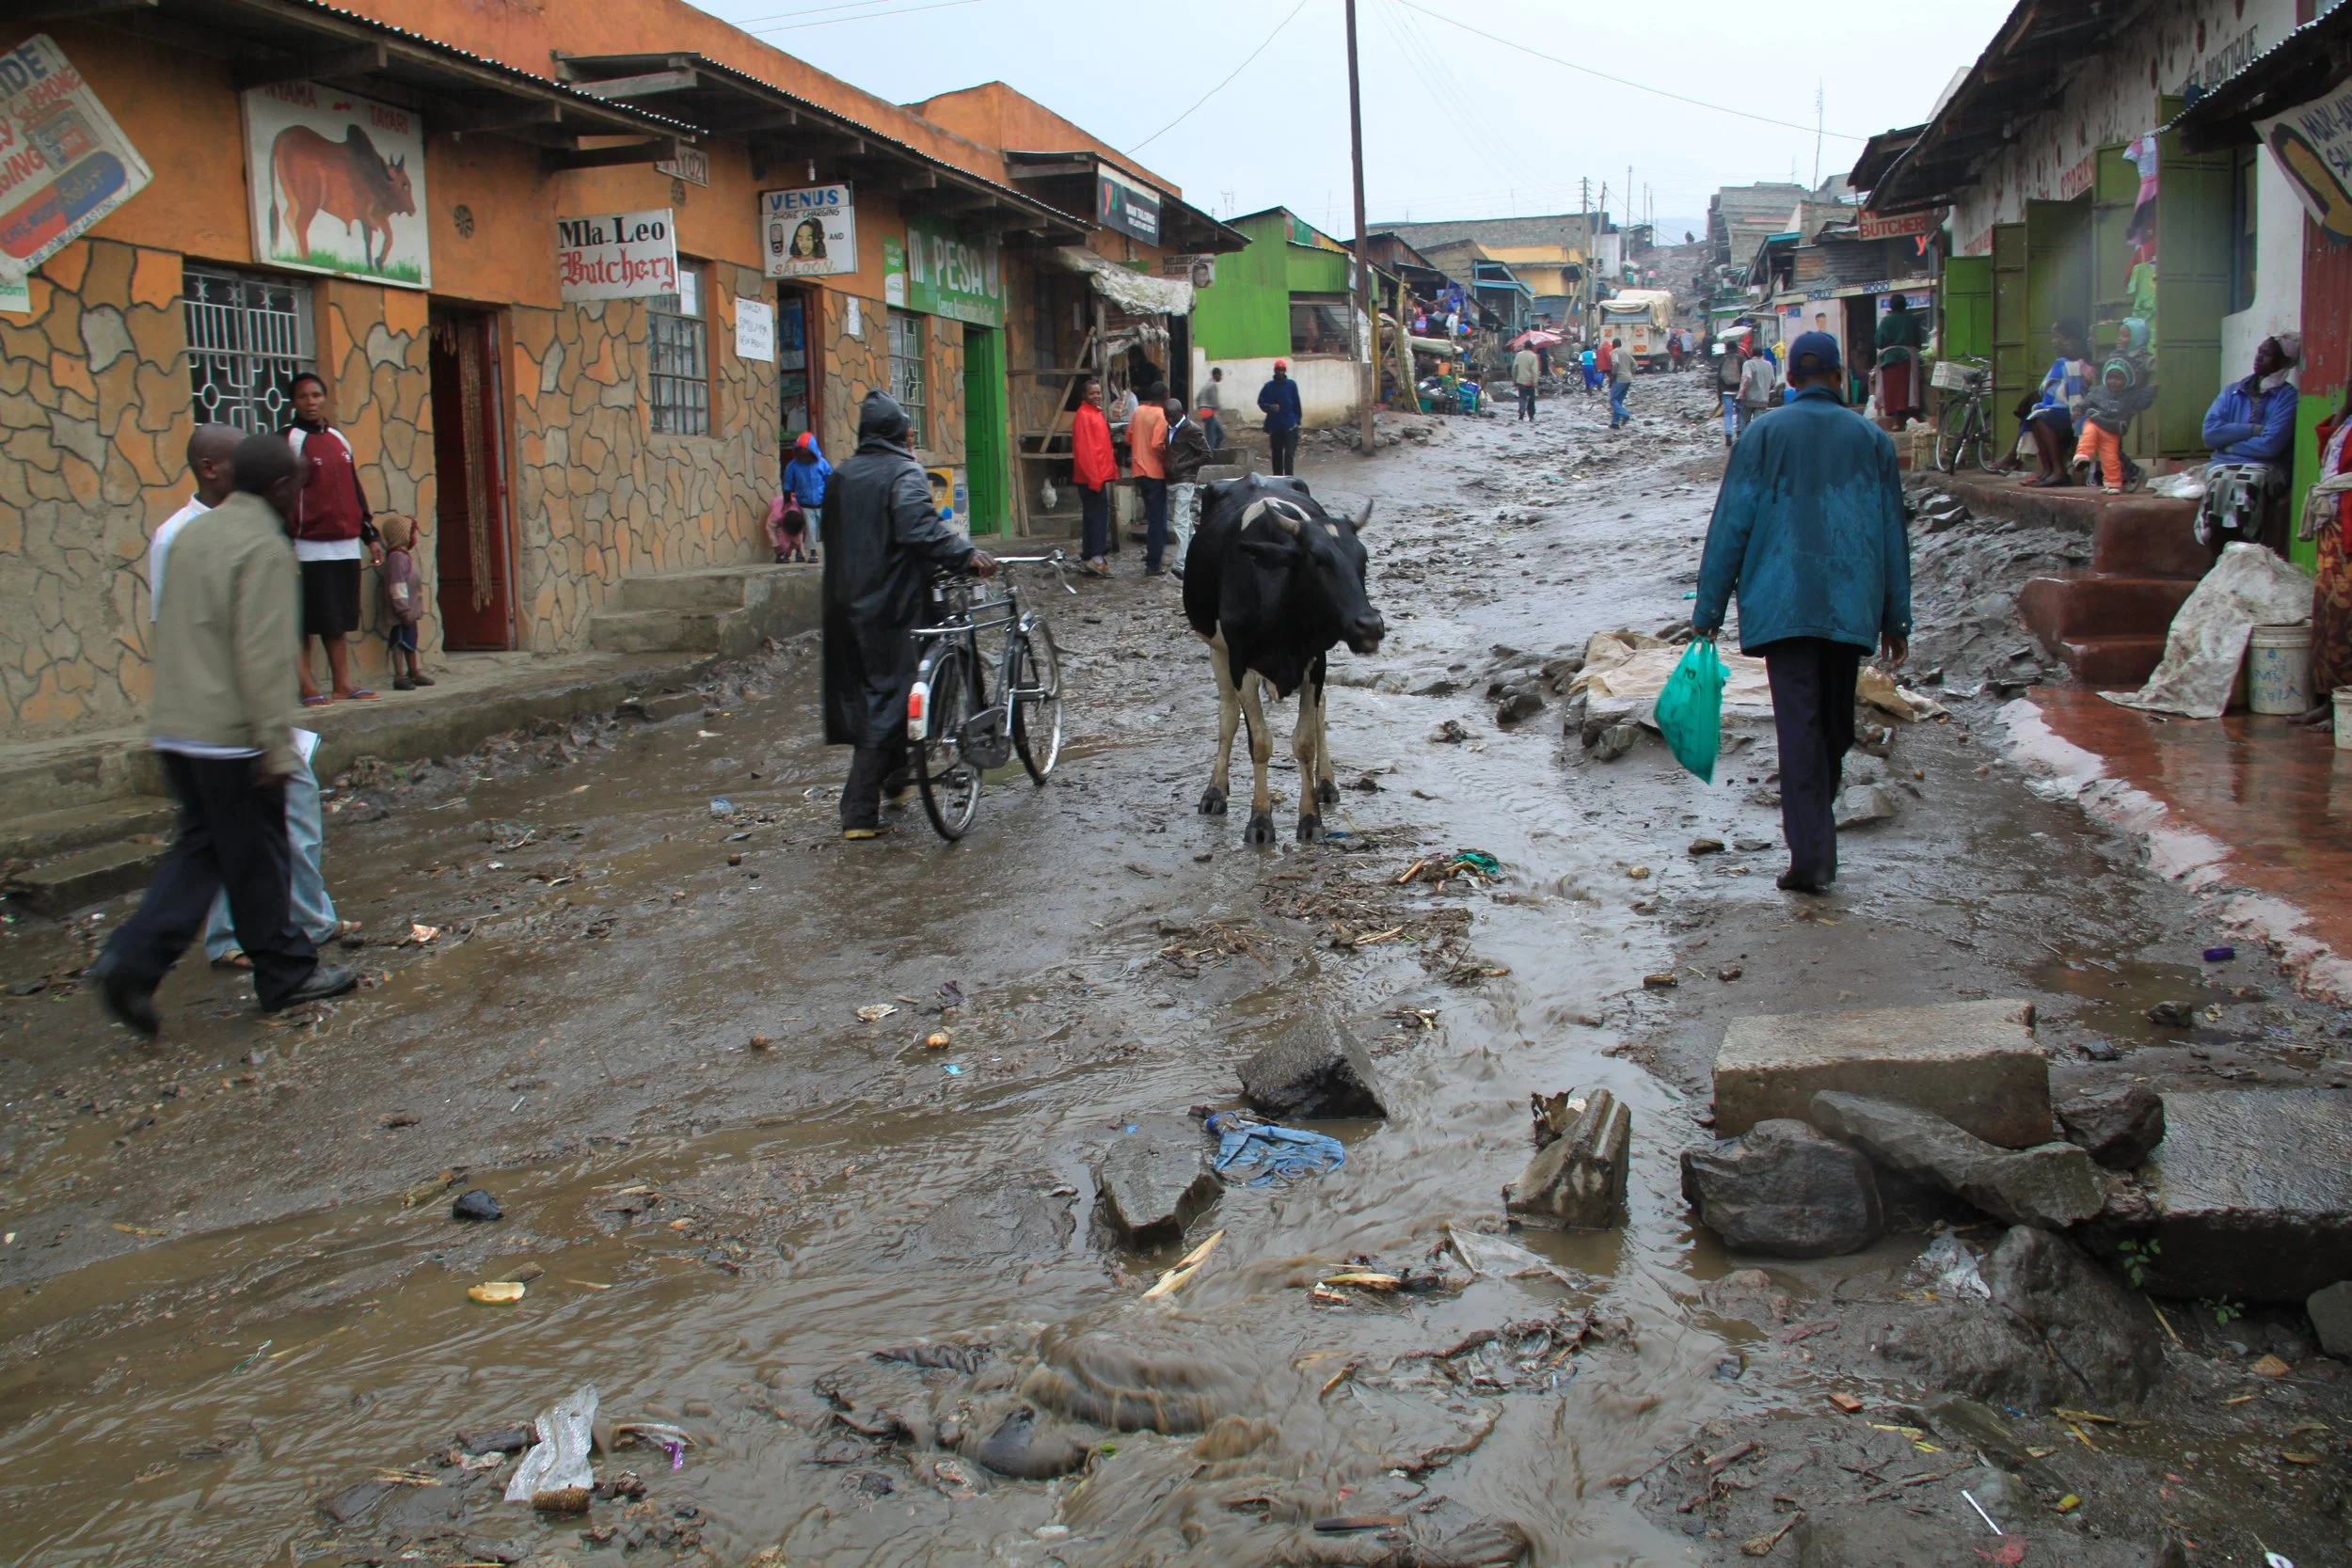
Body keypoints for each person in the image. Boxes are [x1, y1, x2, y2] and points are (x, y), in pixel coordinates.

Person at [91, 435, 358, 1035]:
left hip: (179, 729)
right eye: (297, 486)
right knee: (259, 860)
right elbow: (262, 655)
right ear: (281, 489)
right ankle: (284, 974)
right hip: (233, 735)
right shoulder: (262, 546)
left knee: (204, 852)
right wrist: (274, 741)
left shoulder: (192, 534)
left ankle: (129, 962)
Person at [1692, 331, 1911, 895]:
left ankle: (1811, 846)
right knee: (1834, 727)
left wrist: (1709, 607)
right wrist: (1896, 617)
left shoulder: (1761, 435)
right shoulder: (1872, 440)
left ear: (1791, 379)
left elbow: (1731, 523)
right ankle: (1814, 848)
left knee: (1802, 731)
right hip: (1850, 603)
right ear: (1839, 377)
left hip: (1782, 603)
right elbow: (1892, 532)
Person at [820, 391, 996, 840]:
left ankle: (896, 780)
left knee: (871, 693)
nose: (912, 440)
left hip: (844, 604)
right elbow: (919, 529)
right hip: (892, 605)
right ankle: (858, 811)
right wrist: (966, 554)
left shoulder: (841, 476)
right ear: (895, 435)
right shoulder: (903, 473)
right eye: (909, 432)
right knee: (890, 696)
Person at [284, 372, 385, 705]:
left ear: (324, 398)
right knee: (304, 618)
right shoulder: (288, 440)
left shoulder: (340, 440)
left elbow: (354, 488)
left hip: (344, 543)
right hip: (305, 544)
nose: (310, 402)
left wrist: (369, 534)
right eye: (303, 397)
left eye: (316, 395)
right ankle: (307, 687)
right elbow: (280, 493)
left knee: (337, 618)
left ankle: (343, 684)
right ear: (294, 402)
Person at [2199, 334, 2302, 557]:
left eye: (2267, 354)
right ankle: (2215, 556)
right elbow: (2210, 434)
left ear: (2284, 362)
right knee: (2219, 482)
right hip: (2224, 465)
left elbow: (2270, 447)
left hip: (2268, 467)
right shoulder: (2233, 392)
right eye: (2259, 352)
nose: (2258, 358)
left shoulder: (2287, 398)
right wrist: (2252, 430)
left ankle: (2243, 554)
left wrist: (2229, 447)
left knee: (2248, 485)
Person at [2305, 386, 2352, 717]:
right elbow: (2328, 455)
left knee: (2345, 615)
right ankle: (2328, 699)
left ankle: (2340, 706)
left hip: (2348, 529)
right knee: (2328, 614)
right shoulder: (2346, 424)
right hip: (2334, 530)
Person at [2000, 319, 2090, 486]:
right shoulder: (2062, 362)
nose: (2053, 341)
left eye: (2056, 337)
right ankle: (2047, 471)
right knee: (2035, 417)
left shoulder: (2076, 364)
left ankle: (2058, 471)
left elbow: (2073, 393)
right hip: (2058, 407)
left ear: (2068, 339)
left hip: (2071, 411)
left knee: (2041, 417)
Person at [2071, 357, 2156, 494]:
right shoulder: (2097, 391)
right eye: (2110, 377)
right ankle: (2083, 456)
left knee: (2110, 457)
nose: (2113, 382)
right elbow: (2085, 403)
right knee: (2089, 433)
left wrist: (2152, 390)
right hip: (2095, 421)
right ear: (2105, 377)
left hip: (2112, 430)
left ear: (2127, 379)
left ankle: (2113, 484)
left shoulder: (2131, 395)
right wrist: (2077, 410)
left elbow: (2143, 402)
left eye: (2118, 378)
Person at [377, 514, 431, 689]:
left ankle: (413, 672)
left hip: (410, 611)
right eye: (412, 533)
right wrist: (402, 609)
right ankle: (399, 676)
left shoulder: (403, 556)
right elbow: (397, 585)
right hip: (403, 612)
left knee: (410, 642)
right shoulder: (397, 558)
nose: (414, 537)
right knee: (399, 642)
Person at [1072, 377, 1117, 577]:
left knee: (1092, 517)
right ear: (1085, 395)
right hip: (1093, 477)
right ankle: (1097, 558)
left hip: (1096, 474)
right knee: (1098, 518)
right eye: (1093, 393)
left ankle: (1088, 557)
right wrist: (1094, 478)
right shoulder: (1084, 415)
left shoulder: (1093, 413)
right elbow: (1085, 451)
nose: (1097, 395)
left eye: (1098, 392)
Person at [1164, 397, 1211, 579]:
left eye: (1172, 416)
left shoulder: (1191, 429)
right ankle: (1196, 551)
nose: (1169, 419)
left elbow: (1207, 454)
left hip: (1186, 480)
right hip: (1171, 481)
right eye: (1166, 416)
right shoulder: (1168, 428)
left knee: (1179, 521)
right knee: (1180, 521)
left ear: (1181, 413)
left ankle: (1181, 563)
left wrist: (1184, 466)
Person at [1128, 380, 1170, 574]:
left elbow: (1129, 438)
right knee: (1157, 519)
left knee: (1151, 516)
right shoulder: (1161, 415)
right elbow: (1156, 444)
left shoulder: (1138, 411)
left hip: (1138, 471)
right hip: (1155, 472)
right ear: (1165, 397)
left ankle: (1152, 553)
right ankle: (1153, 563)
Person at [1874, 295, 1926, 426]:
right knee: (1906, 389)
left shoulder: (1886, 321)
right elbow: (1918, 342)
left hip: (1888, 359)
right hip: (1907, 357)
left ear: (1891, 306)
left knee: (1891, 389)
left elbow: (1879, 342)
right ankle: (1905, 417)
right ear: (1905, 305)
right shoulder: (1912, 319)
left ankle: (1896, 420)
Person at [781, 431, 832, 559]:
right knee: (810, 529)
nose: (804, 457)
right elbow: (788, 481)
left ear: (813, 452)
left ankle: (829, 552)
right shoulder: (793, 466)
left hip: (822, 502)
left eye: (806, 453)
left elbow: (830, 477)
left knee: (824, 529)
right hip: (804, 503)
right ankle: (813, 552)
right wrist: (787, 498)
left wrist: (831, 495)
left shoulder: (822, 464)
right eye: (801, 453)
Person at [1259, 358, 1303, 476]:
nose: (1280, 372)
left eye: (1282, 370)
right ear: (1274, 371)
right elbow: (1261, 402)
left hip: (1290, 426)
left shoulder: (1291, 385)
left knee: (1289, 455)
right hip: (1275, 426)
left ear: (1285, 371)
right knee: (1277, 455)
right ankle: (1277, 479)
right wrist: (1270, 407)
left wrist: (1297, 421)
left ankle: (1289, 479)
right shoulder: (1268, 387)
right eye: (1278, 370)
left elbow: (1296, 404)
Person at [1715, 338, 1747, 447]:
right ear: (1737, 348)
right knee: (1741, 412)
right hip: (1739, 391)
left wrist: (1719, 394)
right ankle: (1740, 432)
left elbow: (1718, 378)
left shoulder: (1723, 360)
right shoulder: (1741, 359)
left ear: (1727, 348)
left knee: (1728, 413)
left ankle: (1728, 434)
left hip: (1726, 391)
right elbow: (1746, 376)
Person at [1607, 336, 1633, 429]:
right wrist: (1630, 373)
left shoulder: (1613, 352)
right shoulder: (1626, 352)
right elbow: (1635, 365)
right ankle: (1615, 423)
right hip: (1628, 379)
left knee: (1612, 400)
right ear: (1621, 345)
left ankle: (1625, 414)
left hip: (1619, 379)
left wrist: (1613, 374)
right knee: (1618, 401)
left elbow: (1616, 363)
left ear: (1613, 345)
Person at [1200, 366, 1227, 451]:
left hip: (1205, 413)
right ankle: (1211, 456)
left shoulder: (1206, 385)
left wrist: (1201, 409)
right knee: (1211, 438)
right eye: (1220, 375)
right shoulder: (1212, 386)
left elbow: (1197, 398)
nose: (1221, 377)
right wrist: (1222, 413)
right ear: (1216, 375)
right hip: (1209, 413)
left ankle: (1215, 453)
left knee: (1220, 435)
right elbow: (1214, 401)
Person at [1512, 341, 1540, 421]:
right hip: (1530, 382)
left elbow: (1514, 368)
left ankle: (1521, 412)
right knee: (1531, 399)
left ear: (1524, 347)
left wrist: (1514, 380)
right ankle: (1531, 416)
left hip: (1520, 381)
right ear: (1531, 347)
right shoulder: (1533, 356)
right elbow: (1535, 371)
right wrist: (1535, 382)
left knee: (1522, 398)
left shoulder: (1519, 355)